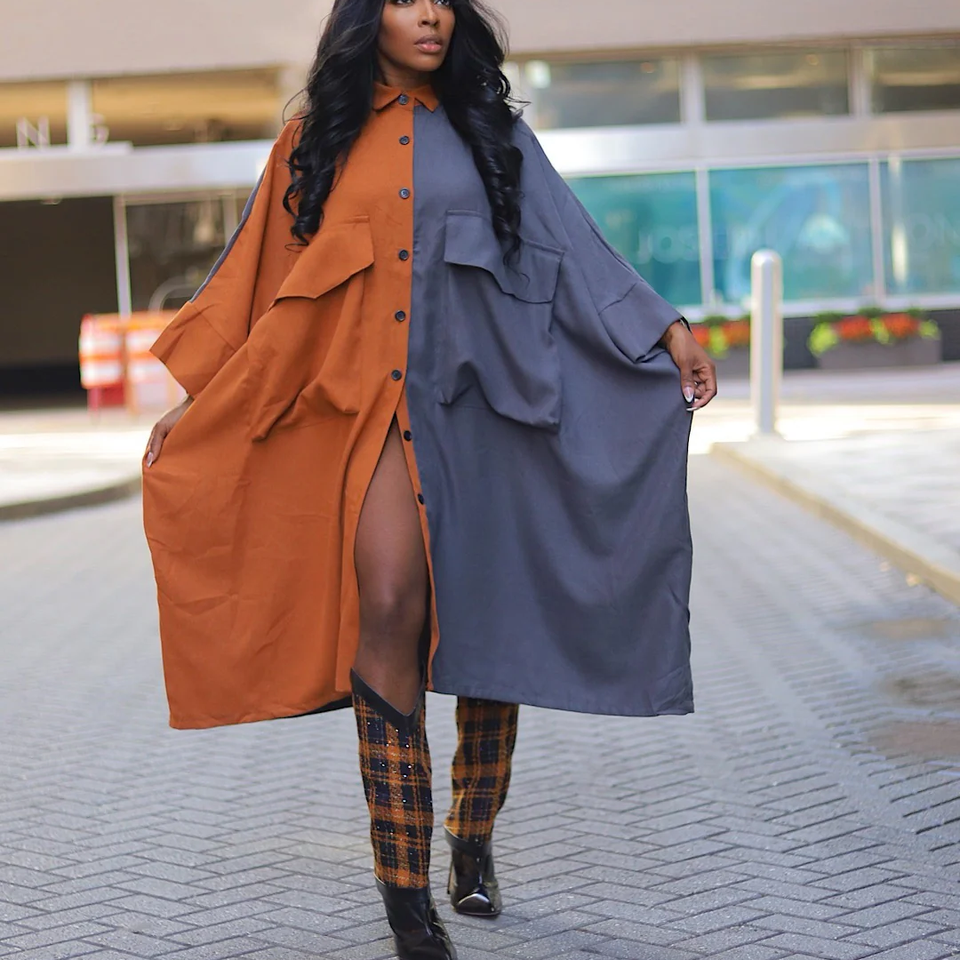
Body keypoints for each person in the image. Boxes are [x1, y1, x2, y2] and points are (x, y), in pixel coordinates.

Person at [141, 1, 717, 957]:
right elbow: (255, 281)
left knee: (488, 619)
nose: (431, 15)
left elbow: (576, 248)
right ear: (367, 15)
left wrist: (667, 330)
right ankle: (404, 890)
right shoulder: (312, 143)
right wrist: (200, 400)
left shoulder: (495, 135)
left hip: (487, 413)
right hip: (369, 414)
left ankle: (472, 834)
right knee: (391, 603)